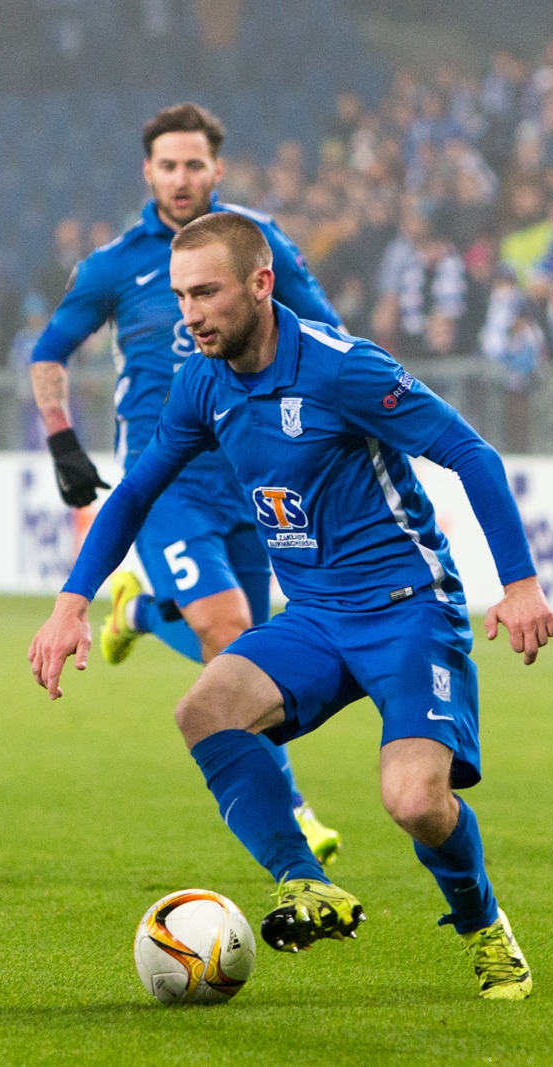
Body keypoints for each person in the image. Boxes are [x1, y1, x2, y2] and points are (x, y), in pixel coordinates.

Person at [29, 211, 553, 1000]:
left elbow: (468, 451)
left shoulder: (342, 370)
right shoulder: (203, 382)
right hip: (313, 614)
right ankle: (306, 884)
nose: (190, 313)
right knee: (203, 710)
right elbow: (137, 490)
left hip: (408, 608)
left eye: (206, 292)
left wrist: (518, 584)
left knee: (414, 802)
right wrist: (71, 602)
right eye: (180, 296)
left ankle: (483, 924)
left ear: (261, 283)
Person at [28, 102, 343, 864]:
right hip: (165, 479)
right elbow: (48, 351)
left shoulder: (260, 247)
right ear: (147, 171)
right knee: (229, 630)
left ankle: (137, 616)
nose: (180, 178)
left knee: (250, 645)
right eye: (167, 165)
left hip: (257, 478)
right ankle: (292, 809)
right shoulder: (114, 265)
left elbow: (327, 331)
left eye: (194, 164)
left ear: (217, 170)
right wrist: (63, 437)